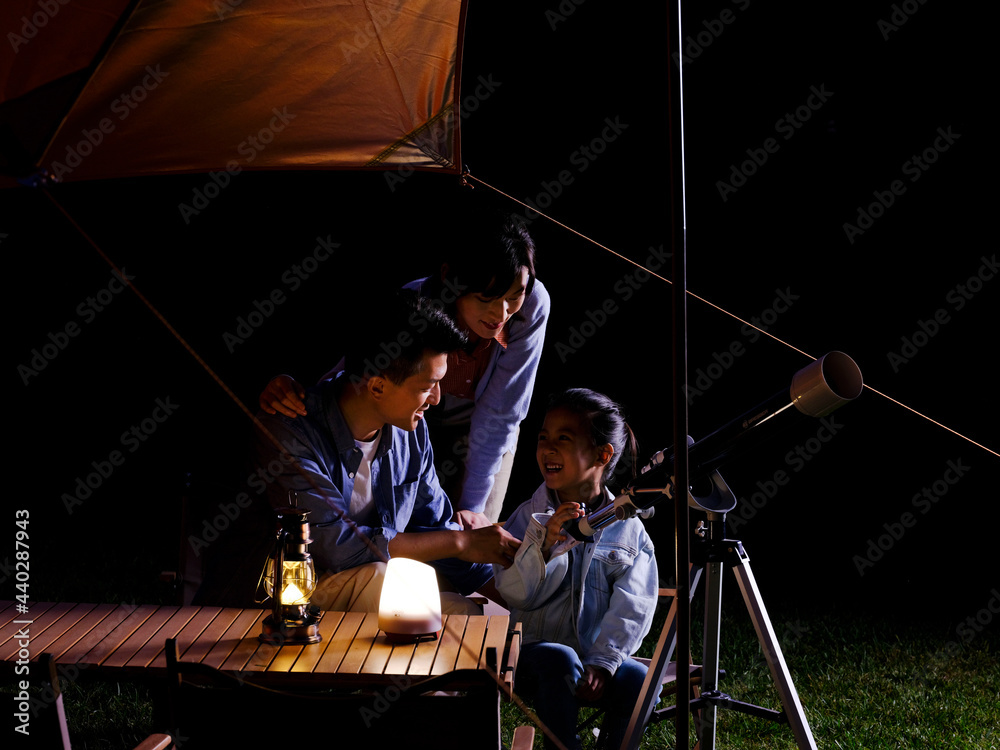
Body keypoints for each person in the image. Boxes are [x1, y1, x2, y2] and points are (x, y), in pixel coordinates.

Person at [259, 208, 549, 528]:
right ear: (451, 280)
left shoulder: (533, 306)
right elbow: (360, 370)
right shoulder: (417, 302)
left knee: (474, 531)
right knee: (408, 524)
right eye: (485, 298)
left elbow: (501, 412)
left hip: (490, 428)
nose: (502, 313)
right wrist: (300, 396)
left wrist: (470, 512)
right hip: (417, 419)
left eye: (514, 296)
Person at [253, 290, 521, 614]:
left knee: (489, 613)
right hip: (289, 603)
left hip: (365, 597)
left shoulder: (410, 429)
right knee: (395, 583)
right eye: (426, 387)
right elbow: (339, 549)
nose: (436, 399)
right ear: (377, 386)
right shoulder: (292, 432)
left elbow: (435, 527)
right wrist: (462, 543)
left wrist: (521, 599)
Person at [494, 388, 658, 750]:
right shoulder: (527, 517)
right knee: (559, 657)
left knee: (641, 679)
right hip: (532, 656)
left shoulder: (628, 529)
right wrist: (547, 541)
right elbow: (516, 592)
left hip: (591, 658)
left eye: (563, 439)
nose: (547, 449)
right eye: (543, 438)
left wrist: (602, 663)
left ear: (602, 454)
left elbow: (634, 606)